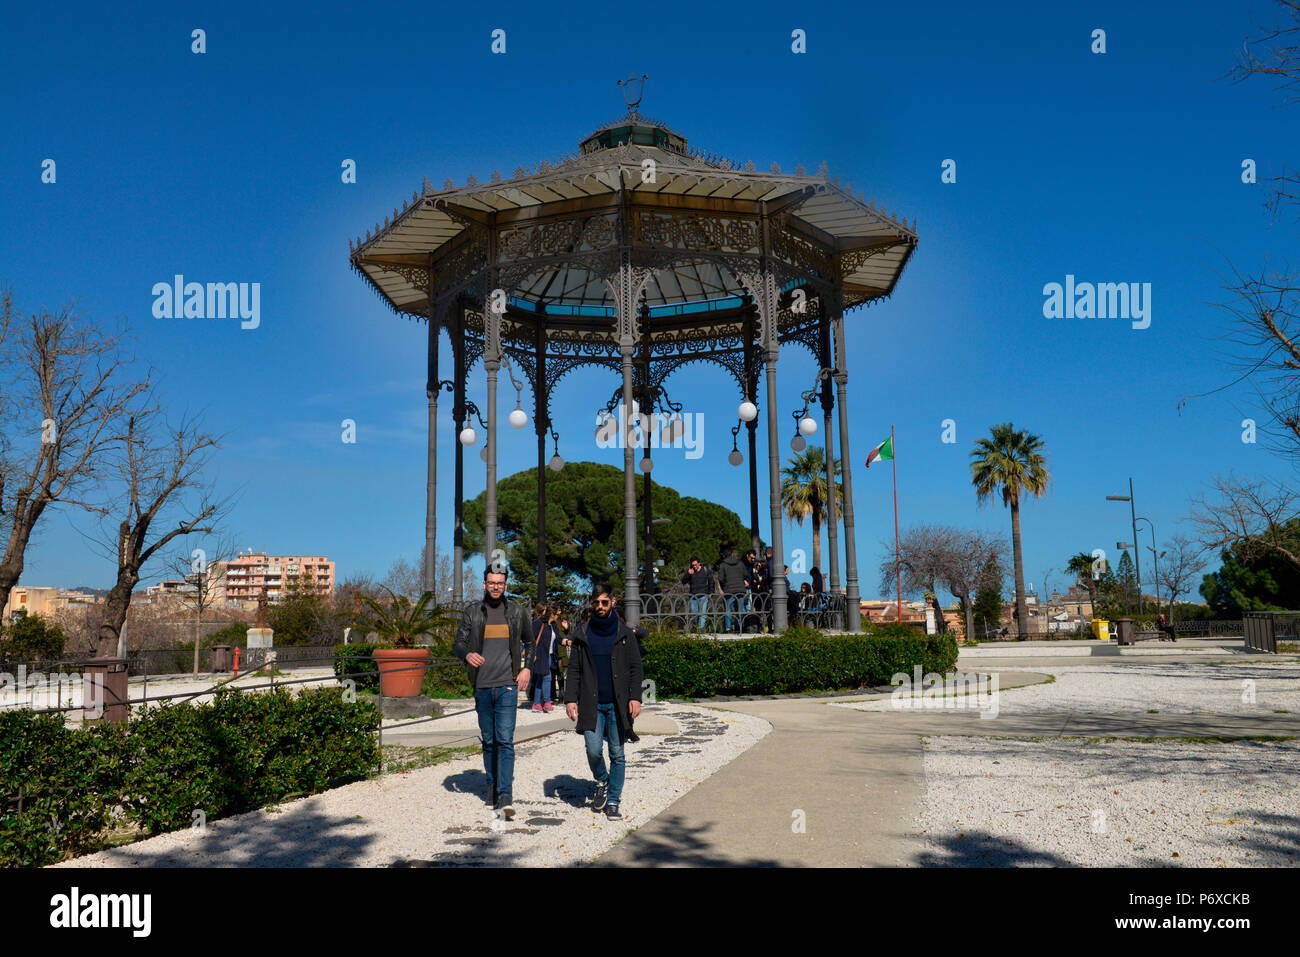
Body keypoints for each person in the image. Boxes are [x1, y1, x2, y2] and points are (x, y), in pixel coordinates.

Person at [452, 566, 533, 820]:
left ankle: (505, 794)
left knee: (505, 740)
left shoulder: (518, 612)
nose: (496, 586)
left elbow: (530, 643)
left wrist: (527, 668)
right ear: (484, 584)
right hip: (482, 686)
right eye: (491, 582)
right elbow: (458, 643)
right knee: (489, 740)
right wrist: (466, 654)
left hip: (508, 685)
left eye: (500, 583)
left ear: (506, 585)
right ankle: (491, 785)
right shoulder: (473, 612)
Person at [564, 583, 644, 820]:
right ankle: (602, 780)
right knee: (593, 750)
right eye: (596, 603)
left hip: (618, 704)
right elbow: (574, 669)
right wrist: (570, 699)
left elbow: (635, 668)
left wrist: (635, 697)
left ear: (613, 602)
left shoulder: (625, 634)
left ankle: (613, 801)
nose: (599, 606)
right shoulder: (582, 633)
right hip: (591, 703)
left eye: (604, 602)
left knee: (617, 753)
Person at [531, 603, 561, 712]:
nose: (558, 617)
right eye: (557, 614)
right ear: (552, 614)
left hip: (550, 655)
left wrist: (566, 641)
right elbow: (531, 639)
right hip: (540, 655)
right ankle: (547, 702)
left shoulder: (553, 625)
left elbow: (558, 638)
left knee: (541, 678)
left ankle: (536, 703)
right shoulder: (539, 624)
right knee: (547, 677)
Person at [716, 546, 750, 633]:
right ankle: (740, 626)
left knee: (728, 609)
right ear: (732, 554)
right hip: (740, 589)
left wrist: (725, 585)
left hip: (729, 590)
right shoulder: (740, 563)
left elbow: (720, 578)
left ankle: (727, 628)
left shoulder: (723, 565)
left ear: (724, 555)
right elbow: (746, 574)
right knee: (741, 609)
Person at [680, 557, 715, 631]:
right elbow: (683, 582)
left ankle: (700, 630)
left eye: (695, 565)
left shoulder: (706, 570)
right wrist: (688, 574)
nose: (694, 566)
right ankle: (696, 627)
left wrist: (711, 592)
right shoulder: (691, 571)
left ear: (699, 563)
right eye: (693, 565)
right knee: (695, 614)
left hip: (704, 595)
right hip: (693, 596)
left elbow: (711, 581)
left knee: (703, 614)